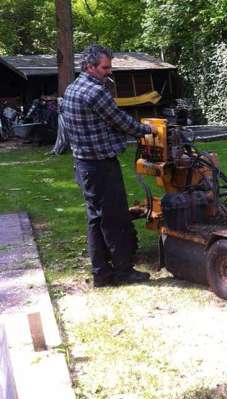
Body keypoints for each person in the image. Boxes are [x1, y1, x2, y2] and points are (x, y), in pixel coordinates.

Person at [63, 44, 157, 287]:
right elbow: (121, 121)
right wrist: (149, 130)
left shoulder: (72, 89)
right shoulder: (96, 92)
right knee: (115, 219)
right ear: (89, 67)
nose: (109, 71)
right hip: (101, 166)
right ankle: (123, 271)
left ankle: (101, 273)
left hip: (83, 165)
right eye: (105, 67)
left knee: (96, 219)